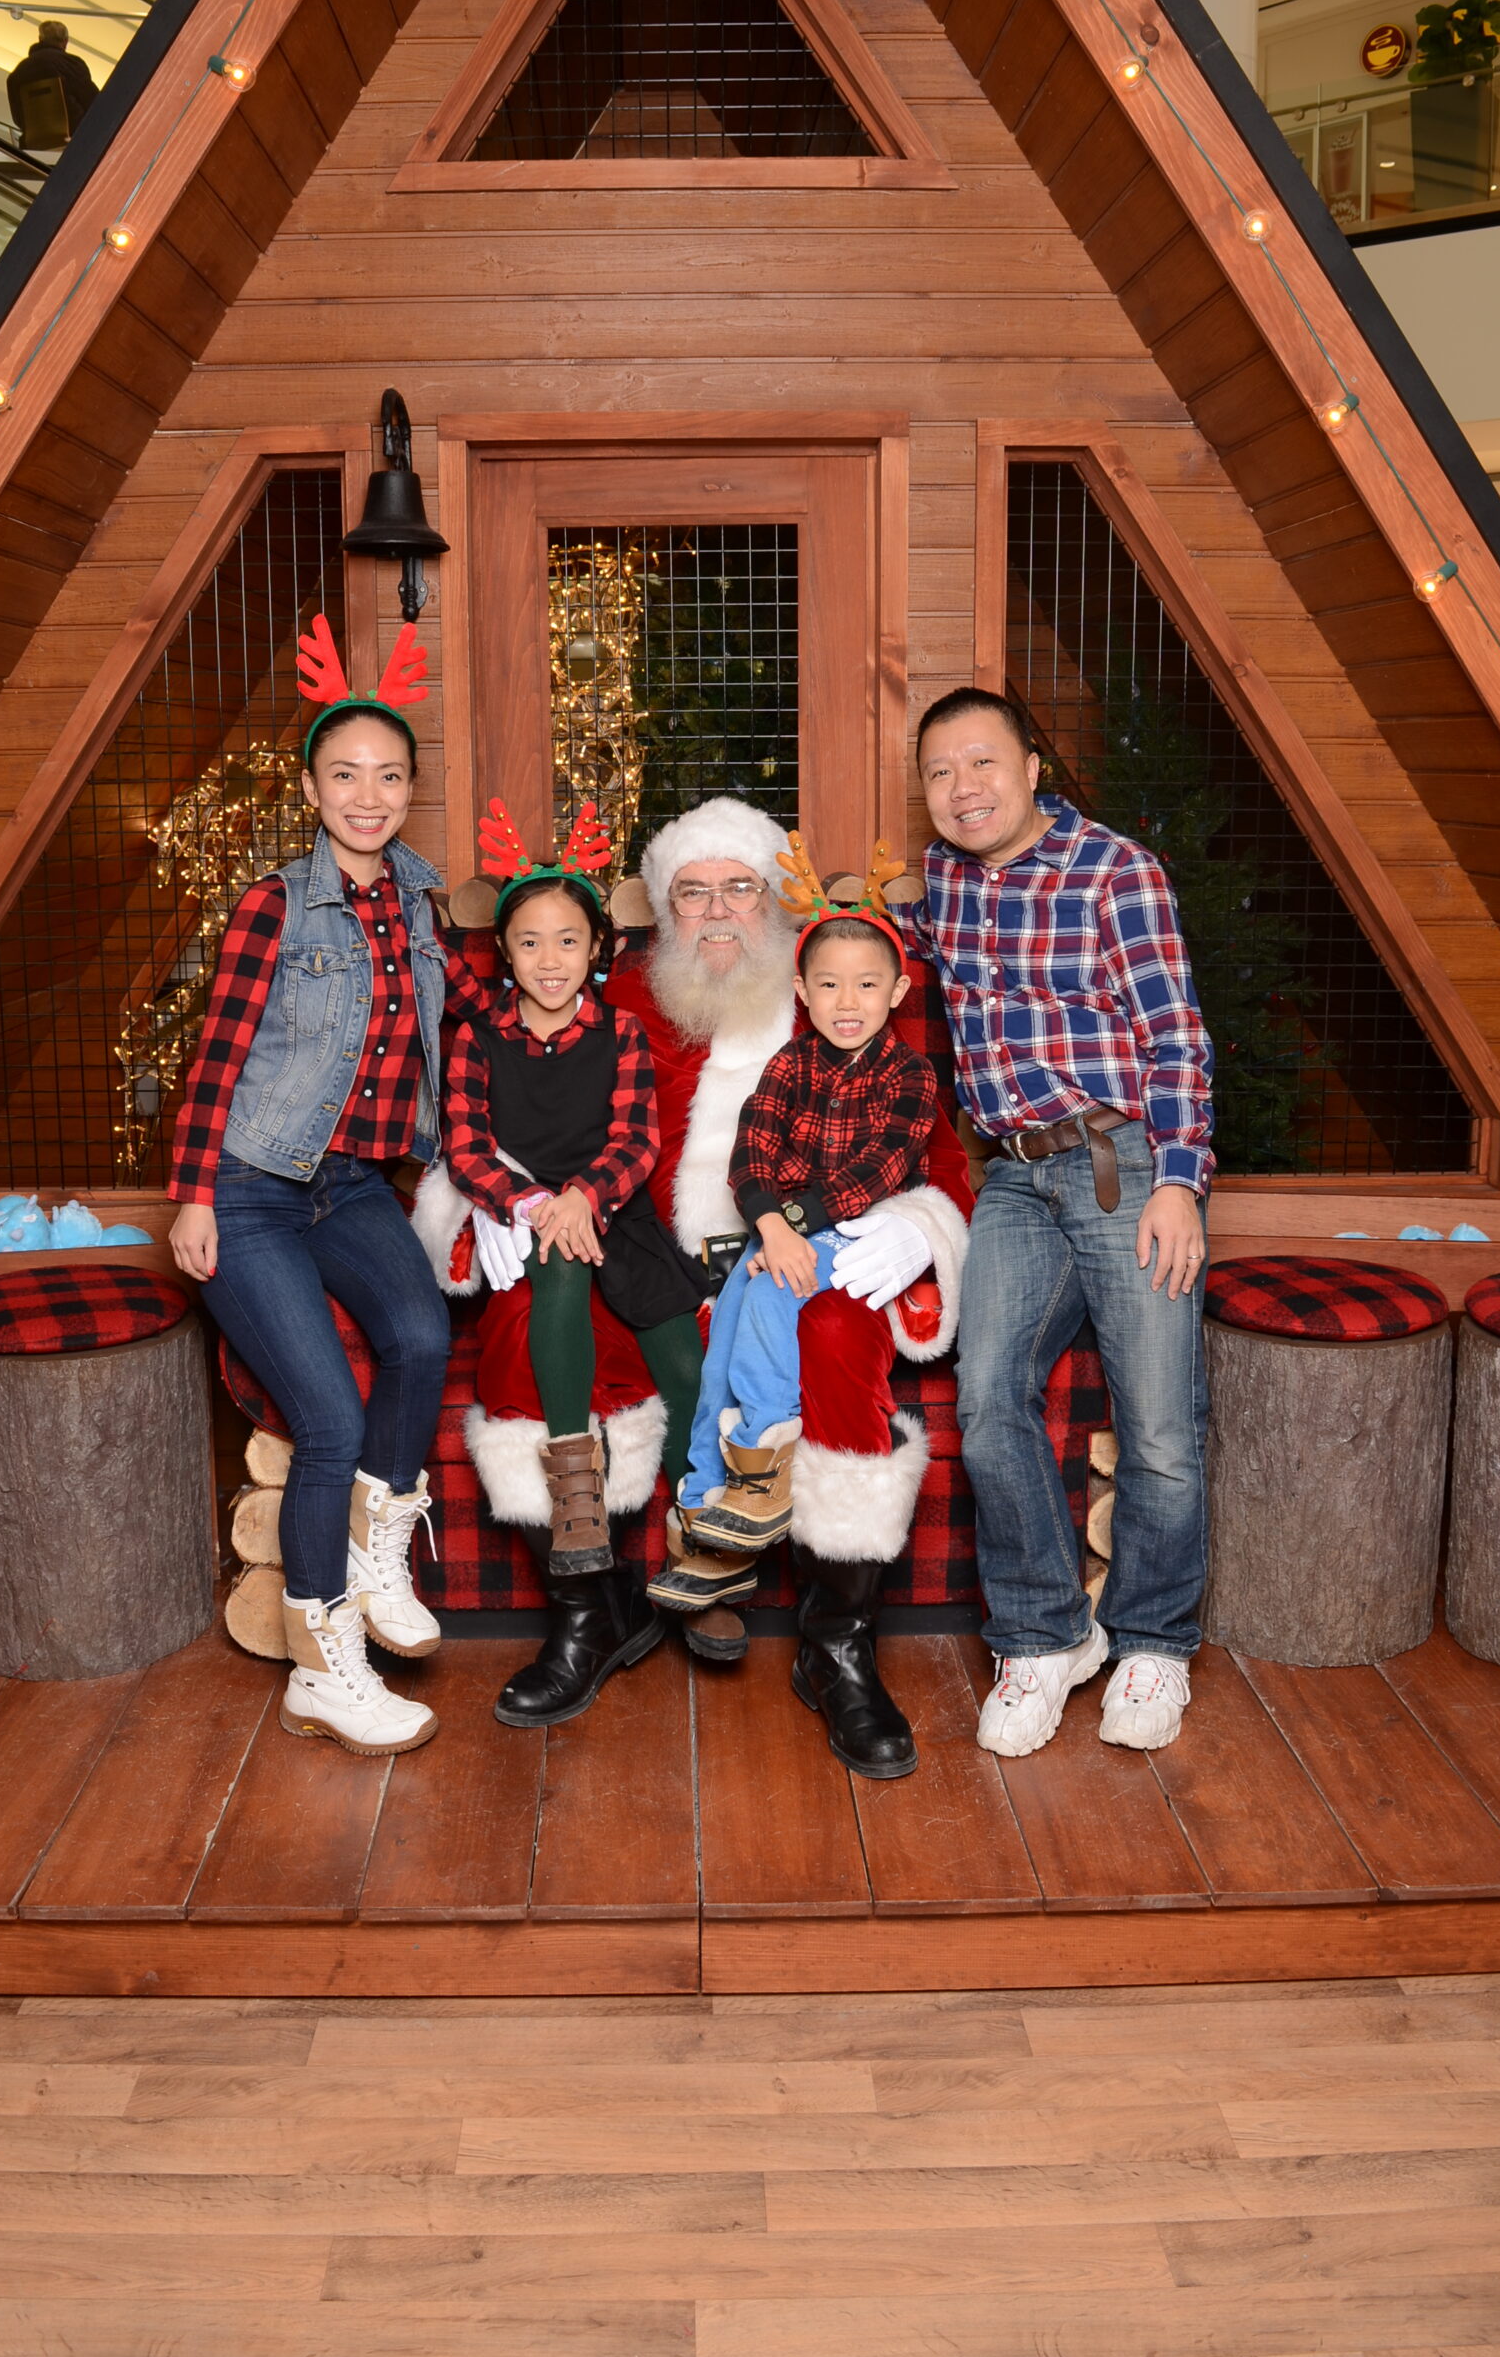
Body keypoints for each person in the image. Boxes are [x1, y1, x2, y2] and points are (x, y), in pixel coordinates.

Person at [415, 795, 969, 1776]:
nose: (716, 911)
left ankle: (837, 1647)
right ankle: (589, 1614)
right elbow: (505, 1115)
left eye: (739, 888)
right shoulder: (616, 1003)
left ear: (776, 905)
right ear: (661, 913)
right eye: (692, 892)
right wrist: (485, 1204)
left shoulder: (834, 994)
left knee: (840, 1340)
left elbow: (938, 1160)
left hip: (799, 1264)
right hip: (630, 1252)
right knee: (521, 1324)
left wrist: (915, 1225)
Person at [168, 618, 472, 1759]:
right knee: (329, 1419)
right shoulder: (276, 905)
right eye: (344, 774)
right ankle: (321, 1668)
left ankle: (377, 1550)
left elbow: (451, 1030)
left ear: (409, 791)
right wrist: (193, 1194)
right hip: (250, 1188)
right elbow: (217, 1056)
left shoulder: (421, 906)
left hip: (350, 1185)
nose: (367, 795)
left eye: (388, 776)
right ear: (309, 788)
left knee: (420, 1337)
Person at [903, 688, 1213, 1758]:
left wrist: (1180, 1180)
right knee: (988, 1397)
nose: (962, 789)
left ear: (1033, 768)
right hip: (1014, 1177)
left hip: (1125, 1161)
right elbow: (888, 937)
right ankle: (1043, 1636)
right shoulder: (944, 878)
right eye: (939, 772)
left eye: (982, 762)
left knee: (1159, 1422)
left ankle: (1155, 1642)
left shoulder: (1116, 872)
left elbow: (1176, 1036)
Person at [658, 846, 938, 1777]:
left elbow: (878, 1171)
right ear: (803, 992)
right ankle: (708, 1492)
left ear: (898, 992)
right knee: (727, 1330)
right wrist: (769, 1221)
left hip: (850, 1237)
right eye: (828, 985)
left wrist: (791, 1227)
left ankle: (764, 1451)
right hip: (779, 1229)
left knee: (776, 1300)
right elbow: (753, 1154)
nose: (846, 1001)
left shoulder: (908, 1076)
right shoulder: (790, 1064)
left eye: (866, 985)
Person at [441, 800, 707, 1724]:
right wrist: (529, 1205)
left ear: (598, 948)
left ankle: (698, 1547)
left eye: (567, 940)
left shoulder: (618, 1034)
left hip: (613, 1212)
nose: (548, 960)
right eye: (528, 943)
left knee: (685, 1360)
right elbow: (466, 1145)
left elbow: (636, 1139)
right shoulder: (478, 1039)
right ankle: (575, 1492)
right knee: (555, 1267)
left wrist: (585, 1196)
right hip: (532, 1216)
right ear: (504, 954)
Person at [5, 19, 97, 138]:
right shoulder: (73, 63)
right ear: (65, 41)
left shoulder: (17, 73)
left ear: (40, 39)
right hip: (74, 136)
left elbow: (17, 118)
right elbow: (92, 101)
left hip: (34, 140)